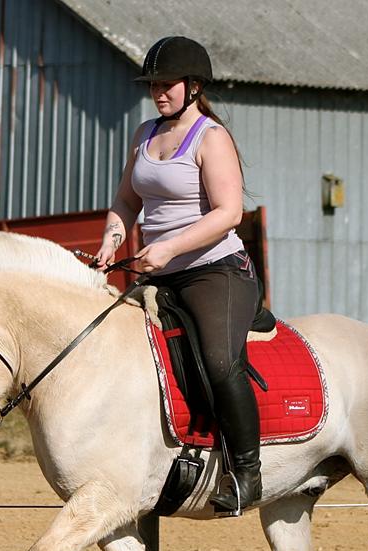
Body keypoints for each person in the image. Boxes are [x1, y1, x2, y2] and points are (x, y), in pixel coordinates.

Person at [95, 35, 262, 515]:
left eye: (166, 84)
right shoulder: (144, 133)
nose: (158, 92)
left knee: (216, 360)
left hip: (215, 272)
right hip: (159, 271)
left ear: (193, 86)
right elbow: (128, 200)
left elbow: (230, 213)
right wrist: (111, 241)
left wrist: (167, 247)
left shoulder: (212, 137)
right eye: (153, 85)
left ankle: (246, 473)